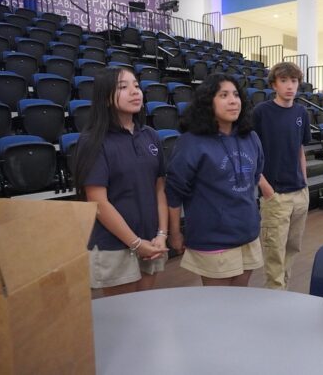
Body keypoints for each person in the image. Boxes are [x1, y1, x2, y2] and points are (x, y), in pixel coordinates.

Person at [74, 66, 168, 297]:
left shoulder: (150, 135)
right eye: (123, 87)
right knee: (123, 320)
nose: (135, 92)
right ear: (105, 98)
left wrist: (161, 234)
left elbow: (160, 190)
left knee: (144, 310)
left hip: (151, 240)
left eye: (136, 85)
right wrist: (136, 243)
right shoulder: (93, 141)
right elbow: (98, 203)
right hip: (115, 245)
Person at [166, 73, 264, 287]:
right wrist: (175, 233)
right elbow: (174, 192)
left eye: (236, 95)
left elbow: (255, 177)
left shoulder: (251, 137)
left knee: (240, 300)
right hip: (212, 238)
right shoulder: (191, 142)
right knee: (218, 308)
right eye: (224, 95)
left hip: (247, 233)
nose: (232, 100)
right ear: (207, 102)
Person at [254, 62, 311, 290]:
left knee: (292, 249)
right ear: (274, 84)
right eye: (284, 81)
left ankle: (283, 292)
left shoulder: (301, 112)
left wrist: (304, 184)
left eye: (294, 81)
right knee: (274, 253)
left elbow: (300, 150)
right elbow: (250, 152)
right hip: (275, 195)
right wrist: (265, 188)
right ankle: (275, 297)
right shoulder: (261, 112)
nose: (290, 86)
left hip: (299, 193)